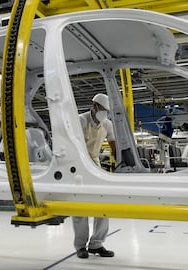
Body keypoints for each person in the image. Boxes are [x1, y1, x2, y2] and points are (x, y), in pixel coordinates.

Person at [73, 93, 116, 259]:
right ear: (94, 106)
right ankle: (80, 246)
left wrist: (120, 163)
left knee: (103, 204)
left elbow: (113, 145)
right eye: (102, 109)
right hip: (78, 167)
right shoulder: (81, 120)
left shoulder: (107, 124)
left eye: (107, 110)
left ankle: (96, 244)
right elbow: (74, 145)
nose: (104, 113)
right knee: (80, 208)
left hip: (95, 165)